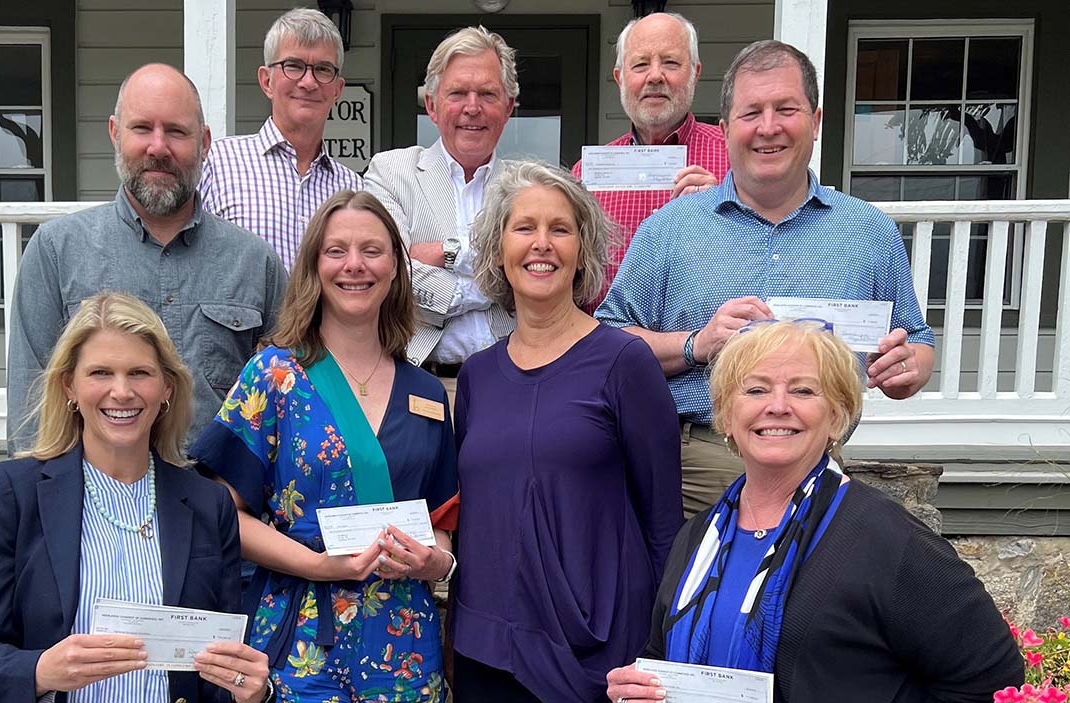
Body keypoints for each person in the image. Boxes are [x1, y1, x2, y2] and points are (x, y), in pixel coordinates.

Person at [596, 40, 935, 515]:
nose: (768, 127)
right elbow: (608, 344)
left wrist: (907, 367)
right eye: (751, 112)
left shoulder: (869, 231)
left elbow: (916, 340)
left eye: (786, 109)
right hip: (693, 474)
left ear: (816, 121)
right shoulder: (669, 230)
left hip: (817, 470)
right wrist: (697, 343)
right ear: (725, 129)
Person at [604, 319, 1023, 703]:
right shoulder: (699, 537)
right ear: (726, 417)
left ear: (837, 417)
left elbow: (992, 680)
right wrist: (640, 689)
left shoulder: (890, 540)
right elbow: (661, 655)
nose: (778, 406)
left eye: (803, 391)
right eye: (755, 390)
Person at [190, 190, 458, 702]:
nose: (354, 265)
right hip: (301, 641)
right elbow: (222, 512)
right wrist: (318, 565)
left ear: (396, 269)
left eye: (372, 250)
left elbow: (441, 525)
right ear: (314, 266)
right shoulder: (273, 375)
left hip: (405, 649)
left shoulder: (426, 393)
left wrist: (435, 564)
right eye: (336, 251)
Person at [0, 292, 274, 703]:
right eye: (100, 373)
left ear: (166, 387)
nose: (121, 392)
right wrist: (40, 671)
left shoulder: (209, 505)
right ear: (69, 386)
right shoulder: (12, 493)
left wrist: (252, 692)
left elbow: (217, 672)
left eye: (139, 373)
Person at [450, 161, 682, 702]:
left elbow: (663, 525)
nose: (542, 244)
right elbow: (471, 517)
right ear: (498, 249)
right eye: (524, 227)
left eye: (560, 229)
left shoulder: (626, 362)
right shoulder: (477, 376)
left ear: (583, 250)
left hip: (597, 653)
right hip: (486, 647)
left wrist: (658, 646)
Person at [6, 63, 287, 453]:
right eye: (142, 128)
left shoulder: (256, 263)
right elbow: (31, 407)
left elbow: (284, 406)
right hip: (91, 489)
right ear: (115, 133)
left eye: (176, 131)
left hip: (219, 490)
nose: (158, 147)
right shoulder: (56, 251)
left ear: (205, 142)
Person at [364, 26, 518, 376]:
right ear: (432, 106)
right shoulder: (390, 173)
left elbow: (544, 277)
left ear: (508, 107)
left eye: (488, 94)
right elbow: (387, 274)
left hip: (514, 379)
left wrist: (446, 253)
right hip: (418, 378)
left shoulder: (527, 187)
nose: (472, 108)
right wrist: (500, 277)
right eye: (458, 93)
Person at [570, 12, 728, 300]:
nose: (655, 76)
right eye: (640, 64)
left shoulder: (734, 158)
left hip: (707, 330)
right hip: (608, 329)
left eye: (670, 63)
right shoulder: (585, 176)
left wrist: (727, 210)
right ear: (620, 78)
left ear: (695, 73)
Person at [199, 8, 362, 270]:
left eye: (322, 69)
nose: (308, 82)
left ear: (337, 90)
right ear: (267, 81)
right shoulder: (217, 164)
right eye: (293, 66)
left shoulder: (352, 188)